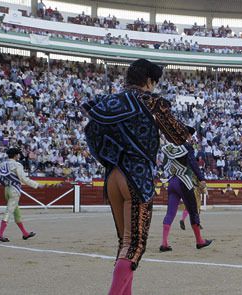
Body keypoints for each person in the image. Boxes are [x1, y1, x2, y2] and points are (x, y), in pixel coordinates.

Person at [83, 58, 192, 295]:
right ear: (149, 81)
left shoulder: (106, 102)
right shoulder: (150, 101)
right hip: (136, 178)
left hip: (112, 177)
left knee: (124, 244)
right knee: (134, 246)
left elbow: (91, 134)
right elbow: (178, 136)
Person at [159, 142, 212, 252]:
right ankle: (199, 241)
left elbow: (164, 165)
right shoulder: (186, 147)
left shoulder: (169, 148)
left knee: (170, 213)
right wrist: (201, 178)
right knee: (193, 210)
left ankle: (164, 243)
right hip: (184, 181)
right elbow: (193, 163)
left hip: (172, 181)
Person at [0, 147, 45, 242]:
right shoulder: (17, 164)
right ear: (15, 155)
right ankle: (0, 234)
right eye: (18, 154)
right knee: (9, 211)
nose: (19, 156)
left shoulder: (2, 164)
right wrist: (37, 185)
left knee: (16, 212)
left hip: (6, 189)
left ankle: (25, 233)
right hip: (14, 190)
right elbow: (23, 179)